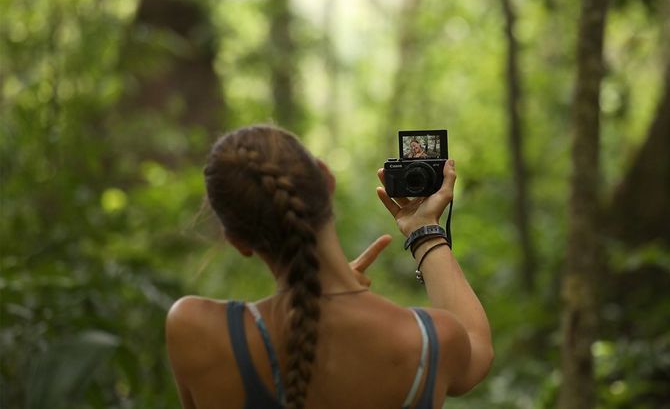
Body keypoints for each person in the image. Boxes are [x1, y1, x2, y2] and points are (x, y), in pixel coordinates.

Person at [166, 125, 493, 409]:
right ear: (327, 179)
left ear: (237, 241)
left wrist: (314, 293)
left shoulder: (193, 330)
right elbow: (476, 342)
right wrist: (425, 232)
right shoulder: (428, 341)